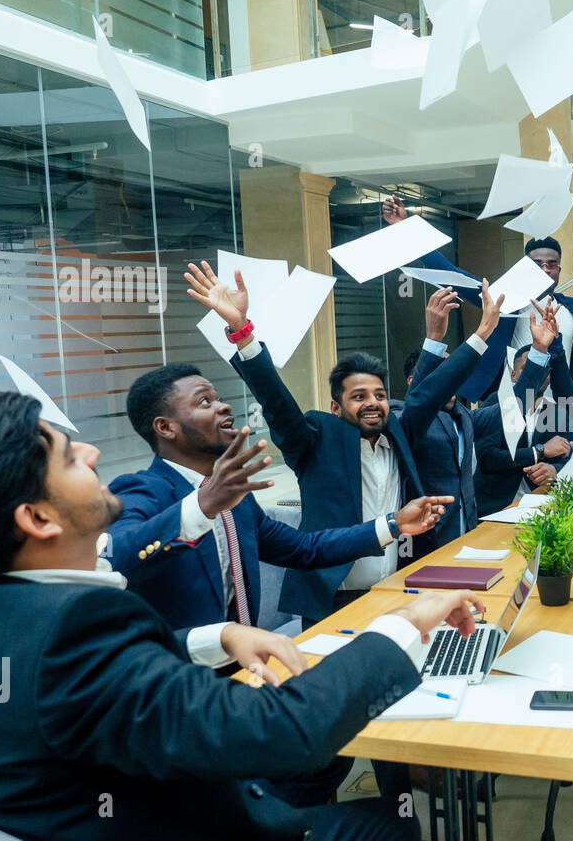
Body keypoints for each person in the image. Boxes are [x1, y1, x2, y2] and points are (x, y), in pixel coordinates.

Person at [0, 390, 484, 841]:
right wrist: (408, 620)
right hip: (188, 829)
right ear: (36, 517)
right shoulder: (78, 619)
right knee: (392, 824)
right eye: (67, 456)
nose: (93, 454)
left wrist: (213, 636)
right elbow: (284, 733)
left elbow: (85, 684)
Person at [185, 262, 503, 625]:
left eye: (380, 395)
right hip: (332, 600)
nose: (373, 402)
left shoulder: (400, 434)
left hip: (398, 588)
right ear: (336, 407)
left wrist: (483, 333)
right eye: (359, 396)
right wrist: (242, 331)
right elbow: (275, 400)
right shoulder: (315, 442)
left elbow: (430, 393)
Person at [108, 363, 449, 629]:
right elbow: (115, 557)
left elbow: (306, 549)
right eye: (205, 402)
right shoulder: (142, 489)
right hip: (179, 679)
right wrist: (202, 505)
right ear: (166, 427)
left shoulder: (236, 500)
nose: (224, 407)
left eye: (219, 398)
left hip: (245, 665)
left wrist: (394, 523)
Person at [383, 195, 573, 401]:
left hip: (564, 403)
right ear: (526, 266)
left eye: (551, 264)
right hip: (512, 403)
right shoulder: (505, 299)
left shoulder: (572, 308)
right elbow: (453, 275)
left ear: (559, 268)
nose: (545, 269)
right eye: (537, 264)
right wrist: (404, 227)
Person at [399, 285, 479, 558]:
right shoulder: (404, 418)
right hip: (426, 543)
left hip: (466, 538)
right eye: (441, 374)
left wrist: (540, 353)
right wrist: (433, 338)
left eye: (452, 374)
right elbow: (416, 408)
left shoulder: (464, 416)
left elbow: (506, 411)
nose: (449, 381)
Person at [473, 302, 573, 514]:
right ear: (513, 374)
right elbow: (488, 459)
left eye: (542, 370)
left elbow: (569, 457)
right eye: (527, 369)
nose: (537, 375)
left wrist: (554, 470)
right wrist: (539, 452)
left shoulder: (557, 412)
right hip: (495, 507)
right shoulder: (496, 402)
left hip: (542, 506)